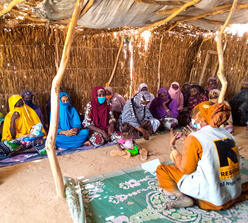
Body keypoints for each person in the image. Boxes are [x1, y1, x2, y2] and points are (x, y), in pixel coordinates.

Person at [156, 101, 244, 210]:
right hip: (233, 193)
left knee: (162, 170)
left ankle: (181, 197)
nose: (194, 119)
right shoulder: (228, 134)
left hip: (213, 200)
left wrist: (173, 147)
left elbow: (186, 169)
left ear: (202, 118)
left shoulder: (195, 138)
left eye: (197, 116)